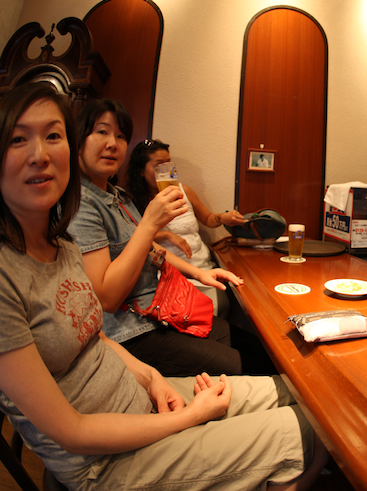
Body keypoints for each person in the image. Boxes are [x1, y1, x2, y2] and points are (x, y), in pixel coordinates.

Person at [0, 82, 329, 490]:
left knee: (298, 395)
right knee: (318, 429)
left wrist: (151, 380)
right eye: (18, 139)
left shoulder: (60, 243)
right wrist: (189, 417)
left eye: (53, 136)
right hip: (102, 462)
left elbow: (95, 336)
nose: (40, 154)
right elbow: (72, 431)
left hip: (139, 398)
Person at [68, 98, 244, 377]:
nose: (112, 143)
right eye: (101, 132)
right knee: (238, 363)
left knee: (241, 340)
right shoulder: (81, 204)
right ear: (78, 141)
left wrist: (200, 273)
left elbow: (152, 249)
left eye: (120, 136)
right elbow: (107, 300)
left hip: (162, 309)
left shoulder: (118, 197)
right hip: (132, 330)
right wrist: (150, 224)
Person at [125, 139, 245, 312]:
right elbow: (133, 237)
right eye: (159, 165)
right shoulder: (132, 201)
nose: (165, 169)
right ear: (141, 171)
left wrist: (222, 218)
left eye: (168, 163)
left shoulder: (184, 191)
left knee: (226, 304)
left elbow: (208, 218)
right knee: (202, 311)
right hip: (168, 273)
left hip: (202, 265)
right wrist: (167, 235)